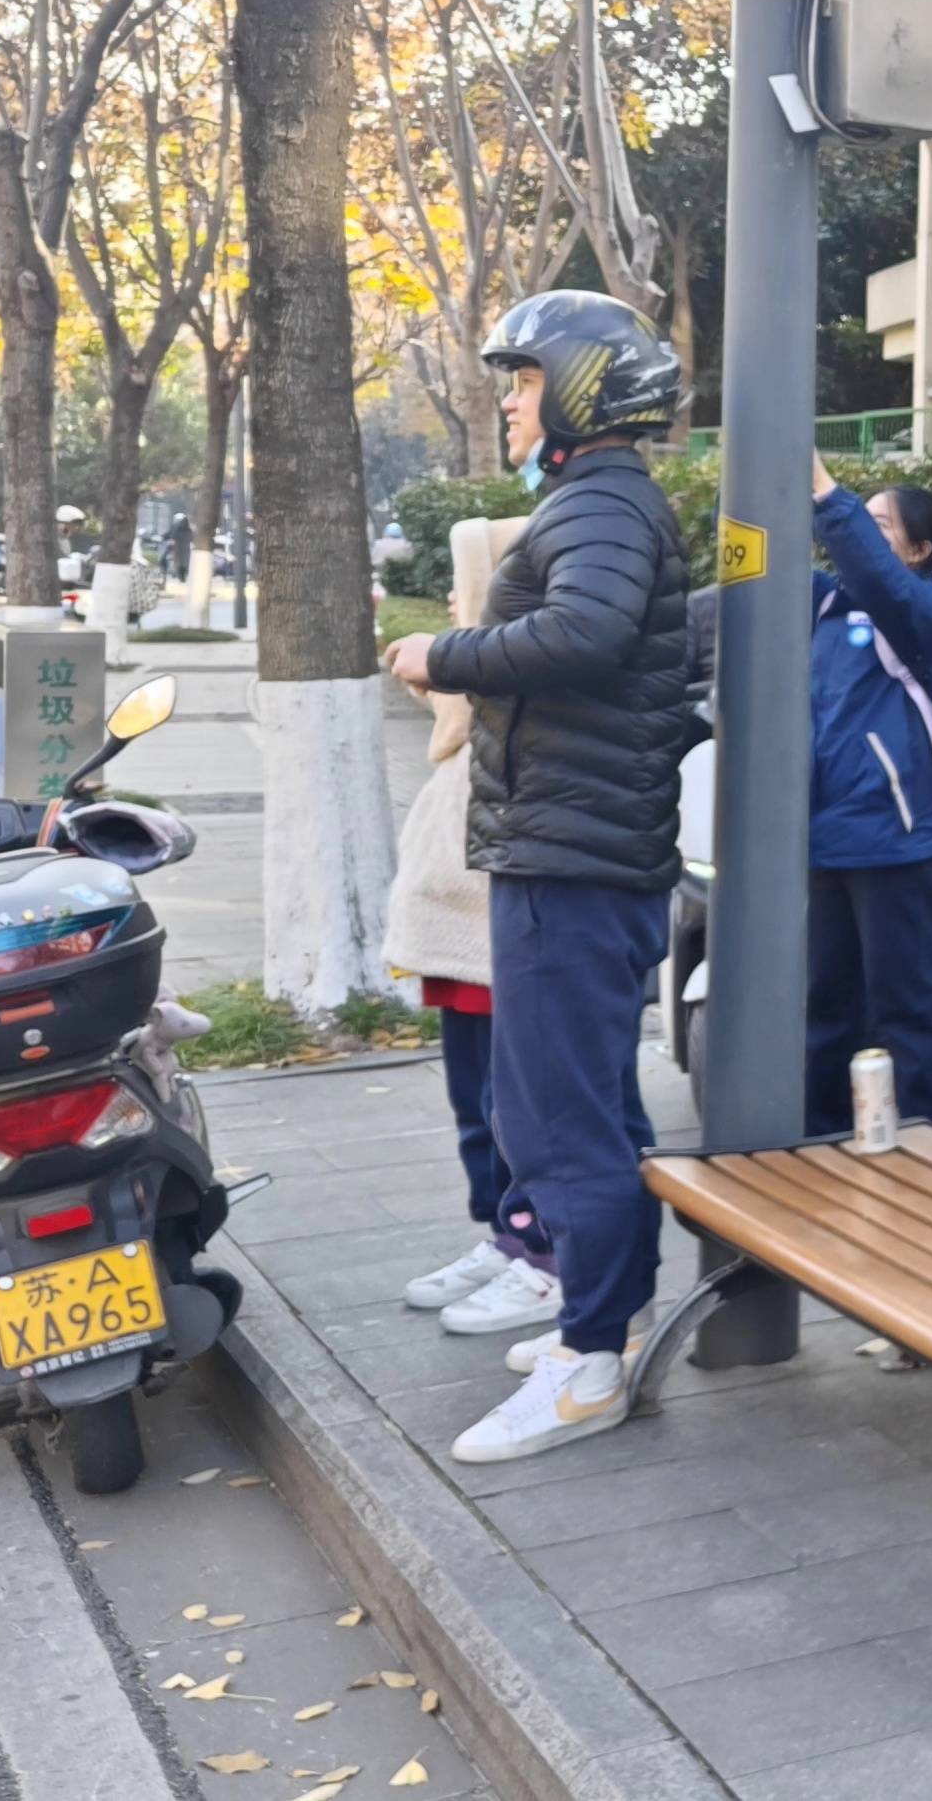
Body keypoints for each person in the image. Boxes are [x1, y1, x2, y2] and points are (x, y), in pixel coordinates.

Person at [388, 291, 695, 1465]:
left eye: (522, 381)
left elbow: (584, 634)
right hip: (570, 846)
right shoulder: (598, 499)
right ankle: (605, 1323)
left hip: (573, 857)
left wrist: (444, 653)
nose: (511, 403)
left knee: (556, 1115)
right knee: (581, 1105)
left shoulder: (603, 503)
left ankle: (590, 1361)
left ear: (575, 389)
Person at [386, 514, 557, 1338]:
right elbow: (449, 716)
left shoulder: (530, 675)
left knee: (515, 1102)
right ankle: (503, 1232)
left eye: (465, 584)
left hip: (503, 926)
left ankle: (541, 1250)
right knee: (474, 1100)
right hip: (457, 934)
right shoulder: (476, 682)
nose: (453, 601)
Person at [797, 452, 932, 1142]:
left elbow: (878, 577)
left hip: (896, 836)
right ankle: (823, 1136)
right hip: (826, 835)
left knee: (906, 1006)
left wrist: (826, 493)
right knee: (826, 1005)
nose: (863, 534)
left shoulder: (925, 610)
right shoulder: (827, 604)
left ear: (919, 551)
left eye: (881, 525)